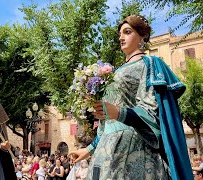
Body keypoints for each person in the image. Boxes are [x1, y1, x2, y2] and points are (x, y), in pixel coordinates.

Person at [69, 14, 192, 180]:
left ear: (142, 36)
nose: (121, 38)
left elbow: (151, 111)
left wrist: (119, 112)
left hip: (134, 147)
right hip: (107, 150)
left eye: (127, 32)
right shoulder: (115, 72)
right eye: (120, 34)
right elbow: (107, 122)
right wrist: (89, 149)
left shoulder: (148, 64)